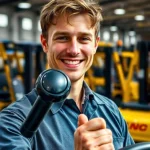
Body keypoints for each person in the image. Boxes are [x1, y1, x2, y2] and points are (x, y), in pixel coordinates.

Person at [0, 0, 134, 149]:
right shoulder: (13, 122)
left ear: (95, 45)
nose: (74, 50)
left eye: (84, 38)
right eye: (63, 38)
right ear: (45, 43)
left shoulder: (110, 110)